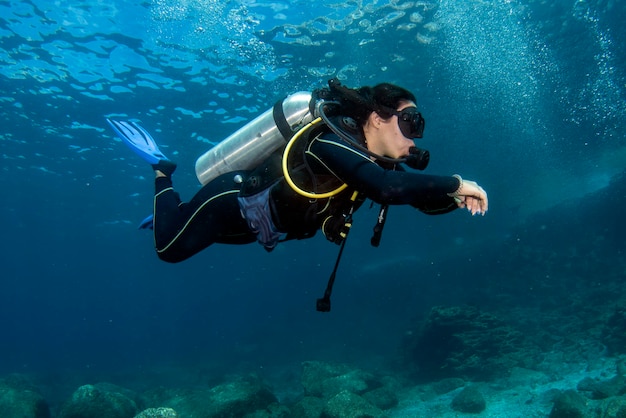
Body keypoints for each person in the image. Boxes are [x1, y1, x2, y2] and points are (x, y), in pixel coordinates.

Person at [107, 79, 488, 265]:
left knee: (178, 223)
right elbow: (387, 190)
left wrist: (454, 200)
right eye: (410, 122)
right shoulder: (328, 142)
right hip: (232, 202)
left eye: (418, 126)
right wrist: (458, 182)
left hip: (264, 227)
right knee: (169, 249)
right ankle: (162, 170)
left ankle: (173, 212)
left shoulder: (373, 162)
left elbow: (414, 197)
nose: (415, 135)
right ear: (376, 118)